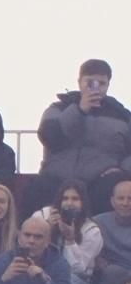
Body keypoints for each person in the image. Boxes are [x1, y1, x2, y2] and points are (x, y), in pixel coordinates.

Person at [36, 58, 131, 209]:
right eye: (90, 82)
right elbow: (48, 136)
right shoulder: (59, 108)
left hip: (102, 179)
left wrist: (122, 170)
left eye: (102, 83)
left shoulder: (122, 115)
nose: (96, 88)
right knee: (37, 187)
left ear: (108, 85)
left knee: (115, 186)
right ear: (80, 82)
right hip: (58, 176)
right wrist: (79, 110)